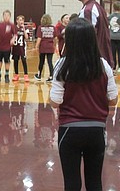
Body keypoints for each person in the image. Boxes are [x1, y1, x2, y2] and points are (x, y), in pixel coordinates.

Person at [50, 17, 118, 191]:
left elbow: (55, 102)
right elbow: (113, 99)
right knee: (95, 182)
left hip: (69, 131)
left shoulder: (62, 65)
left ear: (70, 40)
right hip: (96, 130)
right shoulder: (103, 65)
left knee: (72, 184)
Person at [76, 0, 114, 68]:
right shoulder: (98, 7)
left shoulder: (88, 11)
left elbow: (86, 39)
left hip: (93, 63)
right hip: (101, 59)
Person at [34, 14, 57, 82]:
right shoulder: (53, 28)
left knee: (41, 61)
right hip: (50, 47)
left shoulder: (40, 28)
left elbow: (39, 38)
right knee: (50, 62)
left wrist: (36, 46)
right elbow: (55, 38)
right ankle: (51, 76)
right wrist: (54, 45)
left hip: (43, 47)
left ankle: (39, 75)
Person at [0, 10, 16, 83]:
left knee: (7, 61)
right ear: (3, 16)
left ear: (10, 17)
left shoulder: (12, 25)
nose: (6, 17)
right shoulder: (0, 24)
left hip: (7, 46)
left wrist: (13, 39)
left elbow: (15, 34)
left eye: (7, 15)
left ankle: (7, 75)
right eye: (5, 15)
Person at [12, 15, 29, 82]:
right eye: (19, 20)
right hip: (15, 47)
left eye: (22, 20)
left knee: (24, 61)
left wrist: (24, 29)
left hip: (22, 48)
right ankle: (16, 74)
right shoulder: (14, 28)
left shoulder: (25, 28)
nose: (21, 21)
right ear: (17, 21)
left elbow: (27, 37)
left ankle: (26, 75)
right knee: (15, 61)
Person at [108, 1, 120, 72]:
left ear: (113, 7)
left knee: (112, 53)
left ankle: (113, 68)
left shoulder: (110, 16)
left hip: (112, 36)